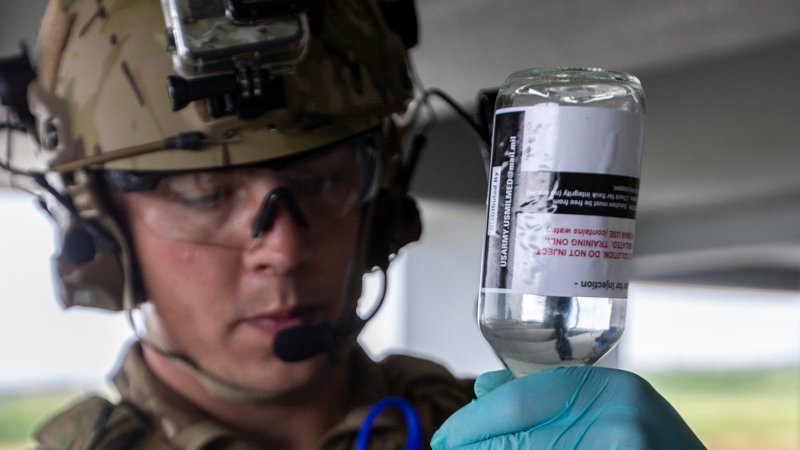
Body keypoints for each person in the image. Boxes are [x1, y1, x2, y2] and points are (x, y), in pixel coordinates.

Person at [0, 0, 706, 448]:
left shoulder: (505, 433)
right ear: (101, 226)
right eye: (205, 194)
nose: (282, 246)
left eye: (322, 182)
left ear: (383, 200)